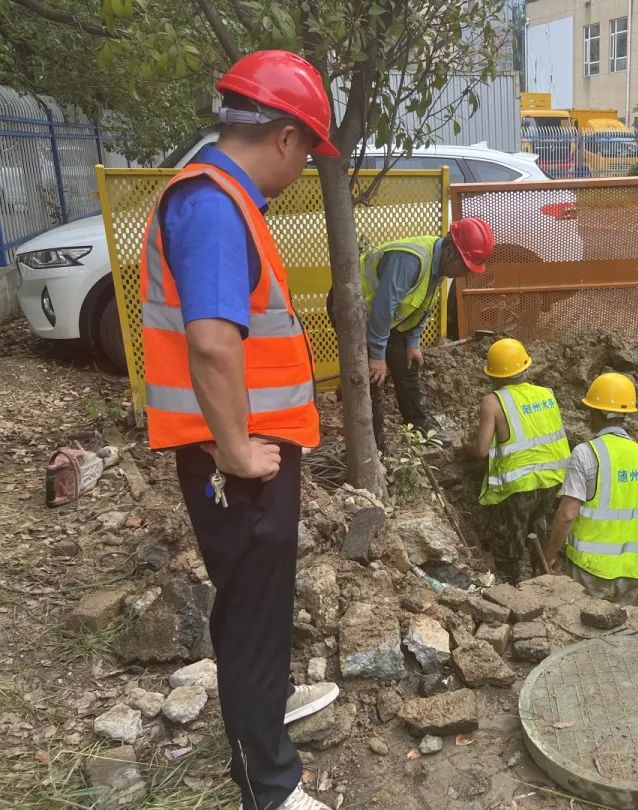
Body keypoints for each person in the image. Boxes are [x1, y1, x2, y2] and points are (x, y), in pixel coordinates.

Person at [140, 50, 343, 810]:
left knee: (256, 598)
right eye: (308, 150)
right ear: (285, 137)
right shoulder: (215, 207)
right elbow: (213, 343)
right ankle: (270, 786)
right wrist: (234, 452)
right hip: (236, 456)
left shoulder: (220, 200)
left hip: (249, 447)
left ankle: (262, 709)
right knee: (253, 605)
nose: (304, 165)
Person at [329, 219, 494, 451]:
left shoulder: (438, 264)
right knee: (373, 377)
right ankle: (374, 448)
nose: (464, 273)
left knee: (407, 365)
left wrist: (413, 342)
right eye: (465, 267)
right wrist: (377, 356)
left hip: (385, 316)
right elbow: (383, 308)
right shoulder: (409, 260)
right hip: (351, 308)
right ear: (450, 253)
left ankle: (419, 427)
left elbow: (422, 303)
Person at [544, 373, 638, 605]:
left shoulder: (586, 453)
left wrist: (551, 554)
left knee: (585, 619)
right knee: (622, 621)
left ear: (595, 412)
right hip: (635, 566)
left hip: (593, 567)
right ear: (626, 415)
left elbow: (567, 514)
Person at [463, 338, 571, 583]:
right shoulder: (546, 394)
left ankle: (511, 585)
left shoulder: (492, 402)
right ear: (525, 367)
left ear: (492, 374)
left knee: (509, 542)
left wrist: (464, 448)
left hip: (518, 485)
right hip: (553, 479)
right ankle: (540, 577)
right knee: (536, 524)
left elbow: (481, 450)